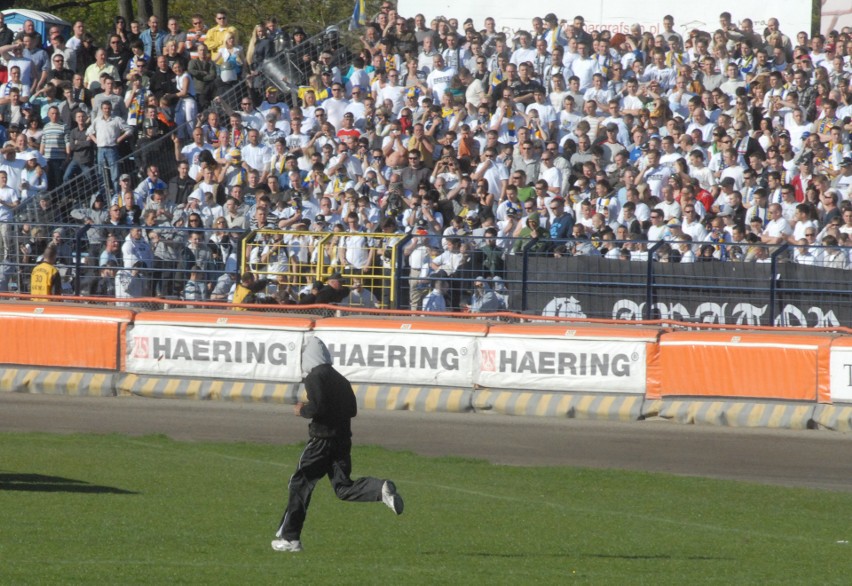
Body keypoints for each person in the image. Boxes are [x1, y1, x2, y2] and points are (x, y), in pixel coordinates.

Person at [272, 336, 404, 553]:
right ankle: (379, 489)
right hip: (342, 441)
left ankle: (290, 539)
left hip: (320, 442)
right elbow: (352, 410)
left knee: (299, 484)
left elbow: (319, 407)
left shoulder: (315, 376)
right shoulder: (340, 379)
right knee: (343, 487)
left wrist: (302, 410)